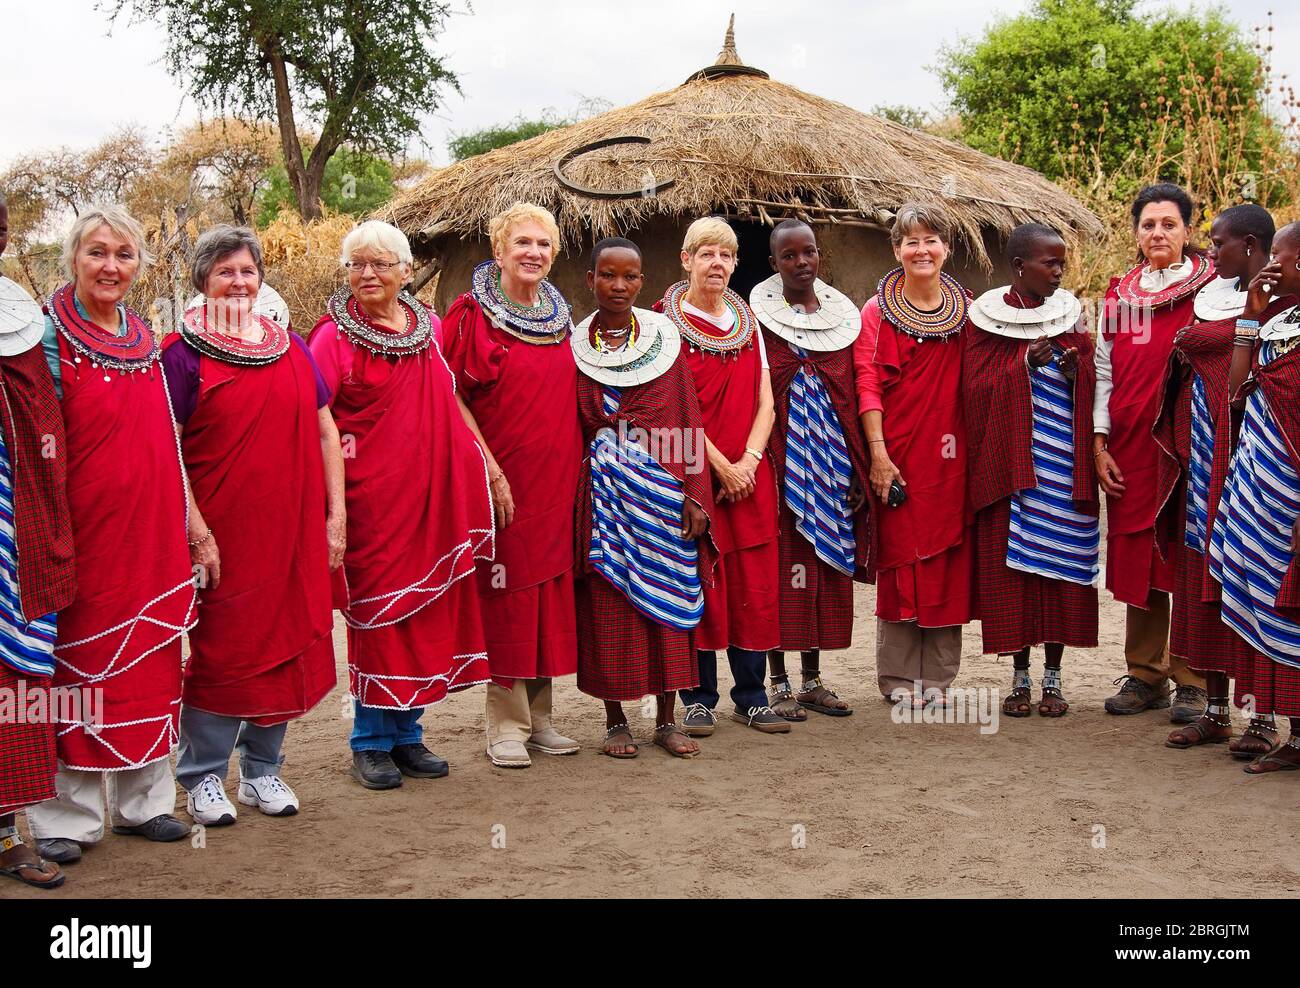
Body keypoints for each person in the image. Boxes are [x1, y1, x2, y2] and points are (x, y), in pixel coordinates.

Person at [28, 206, 195, 864]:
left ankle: (144, 804)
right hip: (79, 537)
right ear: (73, 258)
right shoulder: (43, 340)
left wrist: (189, 523)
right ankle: (65, 817)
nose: (111, 267)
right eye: (97, 252)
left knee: (151, 664)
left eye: (124, 255)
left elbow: (167, 442)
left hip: (150, 537)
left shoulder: (143, 340)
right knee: (75, 668)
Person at [164, 225, 342, 823]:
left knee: (286, 645)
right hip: (224, 535)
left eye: (246, 271)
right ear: (203, 282)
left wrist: (335, 517)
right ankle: (203, 777)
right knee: (223, 651)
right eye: (224, 273)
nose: (238, 282)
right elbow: (171, 445)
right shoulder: (181, 354)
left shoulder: (291, 347)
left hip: (293, 531)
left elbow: (325, 431)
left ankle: (262, 772)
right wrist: (198, 530)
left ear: (260, 278)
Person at [310, 220, 494, 789]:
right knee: (381, 618)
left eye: (381, 264)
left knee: (424, 611)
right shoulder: (331, 339)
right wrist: (333, 513)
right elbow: (317, 426)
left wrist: (480, 466)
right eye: (357, 264)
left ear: (406, 271)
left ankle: (407, 735)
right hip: (372, 504)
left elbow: (446, 404)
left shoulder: (429, 329)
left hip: (429, 499)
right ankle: (368, 742)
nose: (368, 274)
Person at [442, 203, 581, 768]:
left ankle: (541, 719)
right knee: (509, 599)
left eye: (543, 245)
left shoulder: (562, 318)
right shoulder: (470, 316)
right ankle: (505, 725)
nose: (533, 253)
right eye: (522, 243)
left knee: (550, 598)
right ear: (498, 251)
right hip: (503, 482)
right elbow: (449, 395)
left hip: (559, 482)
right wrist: (490, 469)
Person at [1157, 205, 1293, 756]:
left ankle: (1261, 719)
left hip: (1255, 470)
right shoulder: (1213, 298)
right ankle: (1214, 711)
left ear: (1255, 248)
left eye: (1220, 243)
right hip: (1205, 462)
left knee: (1257, 583)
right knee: (1203, 579)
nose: (1211, 253)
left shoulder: (1286, 316)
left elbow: (1251, 387)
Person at [573, 237, 713, 758]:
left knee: (667, 607)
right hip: (607, 501)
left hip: (663, 497)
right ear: (590, 280)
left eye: (630, 276)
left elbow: (688, 421)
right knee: (611, 605)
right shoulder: (575, 348)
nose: (619, 286)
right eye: (608, 275)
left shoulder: (665, 344)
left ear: (641, 282)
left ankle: (666, 718)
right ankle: (614, 721)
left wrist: (696, 495)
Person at [656, 217, 785, 736]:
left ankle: (752, 695)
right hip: (694, 473)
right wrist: (721, 467)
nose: (717, 264)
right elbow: (669, 410)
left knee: (753, 580)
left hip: (750, 476)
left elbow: (766, 399)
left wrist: (749, 461)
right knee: (700, 579)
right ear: (685, 260)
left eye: (726, 256)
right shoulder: (662, 324)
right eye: (706, 254)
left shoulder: (747, 320)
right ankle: (699, 697)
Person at [965, 223, 1099, 717]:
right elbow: (973, 390)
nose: (1059, 271)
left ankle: (1054, 679)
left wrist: (1071, 371)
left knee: (1060, 569)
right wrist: (1021, 364)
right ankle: (1019, 678)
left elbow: (1092, 377)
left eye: (1062, 262)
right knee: (1014, 575)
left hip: (1063, 466)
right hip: (1012, 470)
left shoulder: (1072, 318)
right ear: (1020, 266)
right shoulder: (986, 321)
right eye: (1050, 262)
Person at [1096, 183, 1214, 722]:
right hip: (1128, 443)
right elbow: (1104, 370)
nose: (1158, 233)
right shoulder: (1121, 296)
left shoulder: (1212, 291)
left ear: (1188, 230)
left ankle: (1192, 679)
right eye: (1148, 225)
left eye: (1168, 223)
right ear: (1136, 232)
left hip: (1189, 444)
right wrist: (1099, 442)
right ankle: (1145, 674)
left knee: (1187, 556)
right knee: (1138, 556)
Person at [853, 203, 975, 707]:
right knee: (902, 559)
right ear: (896, 249)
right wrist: (878, 457)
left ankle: (940, 682)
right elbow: (868, 384)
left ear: (946, 247)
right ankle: (899, 680)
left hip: (952, 454)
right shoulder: (876, 311)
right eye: (911, 241)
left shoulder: (969, 308)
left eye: (931, 240)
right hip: (898, 454)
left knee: (947, 557)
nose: (921, 250)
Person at [749, 219, 865, 720]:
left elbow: (851, 394)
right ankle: (777, 682)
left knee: (817, 569)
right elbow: (756, 395)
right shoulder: (756, 321)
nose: (802, 263)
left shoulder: (842, 322)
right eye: (790, 255)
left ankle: (814, 679)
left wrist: (857, 468)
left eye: (810, 253)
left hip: (831, 465)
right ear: (773, 263)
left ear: (821, 257)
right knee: (781, 569)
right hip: (780, 461)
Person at [0, 192, 77, 888]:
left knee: (11, 690)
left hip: (10, 535)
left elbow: (44, 422)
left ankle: (3, 839)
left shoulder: (19, 323)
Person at [1206, 219, 1300, 774]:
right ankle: (1286, 729)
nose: (1272, 267)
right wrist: (1252, 312)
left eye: (1281, 258)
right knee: (1262, 592)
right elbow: (1238, 391)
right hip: (1258, 479)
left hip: (1290, 487)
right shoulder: (1277, 319)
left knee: (1291, 599)